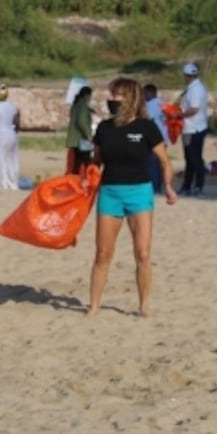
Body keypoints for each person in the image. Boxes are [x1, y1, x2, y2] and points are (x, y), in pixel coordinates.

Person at [87, 78, 178, 318]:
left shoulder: (146, 128)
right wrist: (85, 180)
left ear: (131, 99)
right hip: (110, 193)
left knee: (143, 253)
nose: (112, 100)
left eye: (118, 96)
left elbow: (164, 161)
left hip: (139, 193)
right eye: (112, 95)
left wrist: (168, 186)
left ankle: (144, 305)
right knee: (103, 254)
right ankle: (94, 306)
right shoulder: (104, 128)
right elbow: (96, 163)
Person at [176, 62, 209, 197]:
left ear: (186, 75)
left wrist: (179, 115)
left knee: (195, 158)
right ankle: (187, 186)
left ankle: (198, 186)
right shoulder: (193, 88)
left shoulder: (196, 89)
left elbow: (194, 109)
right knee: (189, 159)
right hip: (190, 128)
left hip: (195, 128)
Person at [143, 84, 171, 192]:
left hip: (154, 138)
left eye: (145, 93)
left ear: (150, 93)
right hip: (164, 137)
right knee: (161, 163)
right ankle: (158, 186)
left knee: (152, 163)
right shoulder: (163, 104)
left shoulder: (150, 105)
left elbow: (148, 121)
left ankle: (154, 187)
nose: (144, 96)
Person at [65, 86, 94, 175]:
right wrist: (89, 135)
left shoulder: (76, 105)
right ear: (87, 96)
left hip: (75, 140)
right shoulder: (83, 106)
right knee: (85, 163)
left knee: (76, 164)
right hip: (82, 140)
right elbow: (81, 122)